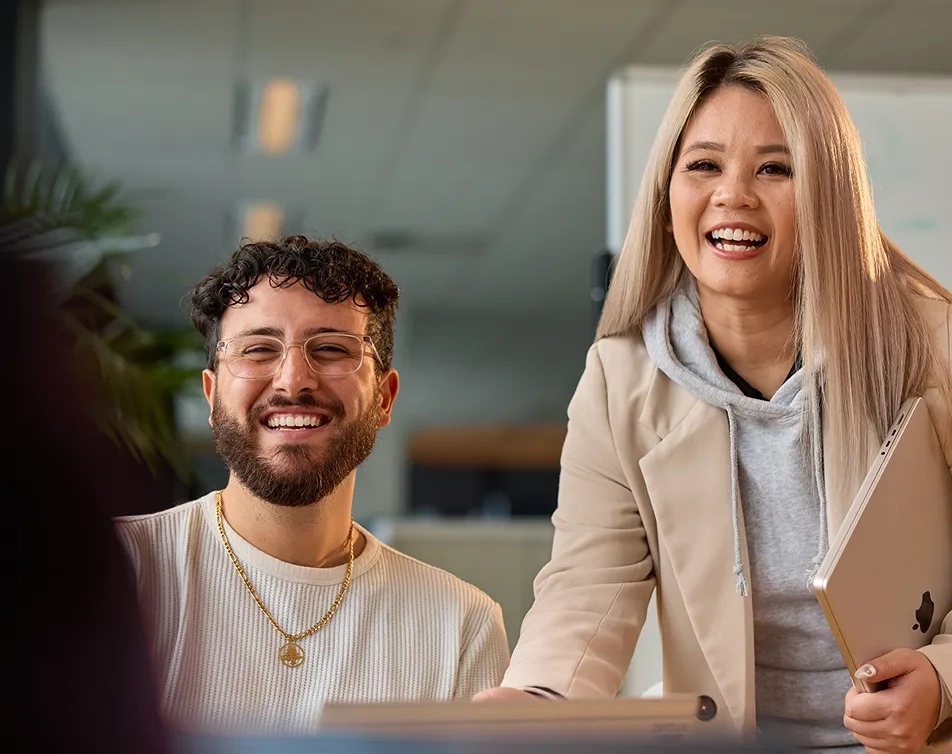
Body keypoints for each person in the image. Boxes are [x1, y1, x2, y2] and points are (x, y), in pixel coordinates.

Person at [474, 36, 952, 754]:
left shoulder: (934, 349)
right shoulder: (620, 380)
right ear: (667, 197)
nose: (733, 194)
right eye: (703, 165)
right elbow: (589, 585)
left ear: (831, 195)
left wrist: (943, 680)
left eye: (775, 168)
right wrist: (539, 699)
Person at [116, 235, 509, 735]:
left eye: (330, 349)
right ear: (213, 397)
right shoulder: (118, 568)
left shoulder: (460, 624)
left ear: (384, 399)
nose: (293, 380)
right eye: (258, 349)